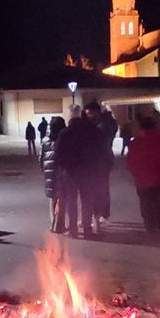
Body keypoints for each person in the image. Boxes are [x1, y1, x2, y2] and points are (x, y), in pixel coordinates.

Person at [55, 104, 105, 238]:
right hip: (87, 172)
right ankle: (87, 230)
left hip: (70, 172)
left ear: (70, 114)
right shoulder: (91, 130)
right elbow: (99, 150)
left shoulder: (65, 133)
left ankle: (73, 230)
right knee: (87, 200)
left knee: (71, 201)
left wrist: (64, 167)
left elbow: (58, 154)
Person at [126, 115, 160, 231]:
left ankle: (148, 222)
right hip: (159, 177)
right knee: (159, 200)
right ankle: (159, 221)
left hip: (142, 178)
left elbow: (130, 161)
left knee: (145, 201)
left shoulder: (135, 142)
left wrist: (135, 173)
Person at [87, 102, 118, 233]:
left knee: (100, 189)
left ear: (96, 112)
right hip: (102, 161)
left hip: (101, 161)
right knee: (100, 188)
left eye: (89, 113)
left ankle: (101, 215)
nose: (88, 116)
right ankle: (100, 215)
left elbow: (101, 142)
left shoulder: (103, 125)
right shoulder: (105, 123)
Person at [40, 116, 68, 233]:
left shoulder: (45, 140)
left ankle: (53, 223)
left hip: (49, 173)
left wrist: (44, 169)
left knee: (52, 198)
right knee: (62, 199)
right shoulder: (64, 139)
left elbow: (41, 158)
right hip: (61, 173)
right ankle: (59, 225)